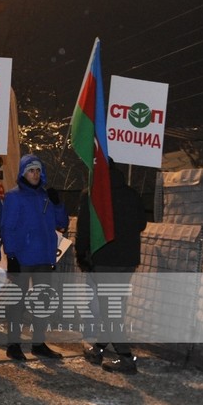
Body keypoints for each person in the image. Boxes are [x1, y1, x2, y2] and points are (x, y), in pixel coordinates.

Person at [76, 158, 147, 374]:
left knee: (110, 310)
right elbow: (141, 224)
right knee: (114, 306)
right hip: (127, 260)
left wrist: (82, 254)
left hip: (105, 259)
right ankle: (98, 349)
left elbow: (84, 229)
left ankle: (126, 358)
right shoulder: (131, 194)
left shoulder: (92, 195)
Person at [0, 154, 68, 361]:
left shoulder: (45, 196)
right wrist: (11, 255)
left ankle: (38, 343)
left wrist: (58, 204)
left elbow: (62, 222)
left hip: (44, 258)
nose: (35, 174)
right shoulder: (14, 196)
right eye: (31, 170)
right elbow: (7, 227)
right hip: (22, 257)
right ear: (23, 172)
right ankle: (14, 344)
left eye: (38, 170)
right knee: (17, 303)